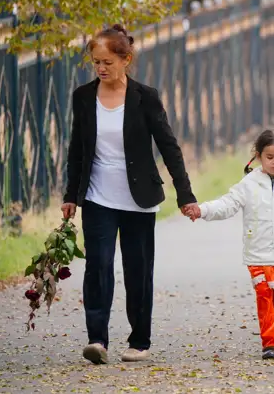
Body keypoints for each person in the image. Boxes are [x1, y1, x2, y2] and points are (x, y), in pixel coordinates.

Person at [61, 24, 198, 365]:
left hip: (138, 199)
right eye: (96, 62)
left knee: (138, 270)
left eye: (107, 61)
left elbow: (169, 147)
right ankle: (97, 340)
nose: (101, 68)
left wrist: (186, 195)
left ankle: (139, 341)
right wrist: (71, 196)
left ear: (126, 59)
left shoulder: (145, 96)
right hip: (97, 198)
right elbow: (76, 150)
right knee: (98, 266)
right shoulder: (83, 97)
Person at [183, 129, 274, 360]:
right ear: (258, 155)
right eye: (269, 157)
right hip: (258, 253)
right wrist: (201, 210)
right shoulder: (249, 184)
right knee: (265, 295)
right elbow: (227, 204)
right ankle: (270, 343)